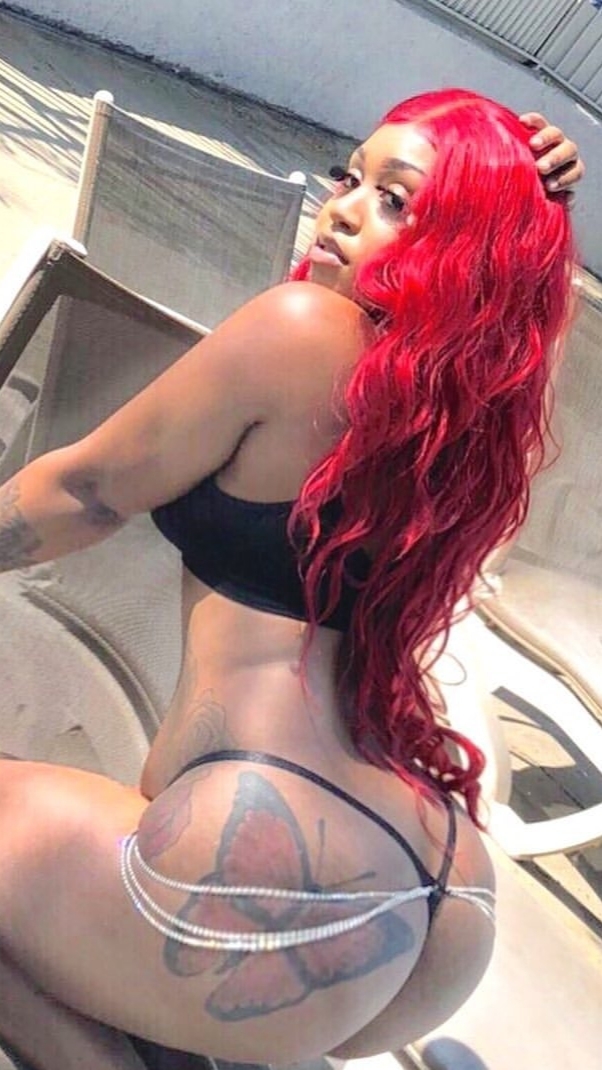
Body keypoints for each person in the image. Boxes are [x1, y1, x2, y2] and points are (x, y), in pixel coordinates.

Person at [0, 89, 583, 1070]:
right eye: (348, 177)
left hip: (267, 859)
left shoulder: (304, 329)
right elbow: (521, 324)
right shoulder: (462, 422)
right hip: (437, 896)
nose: (342, 208)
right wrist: (538, 210)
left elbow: (86, 491)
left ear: (465, 250)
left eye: (395, 200)